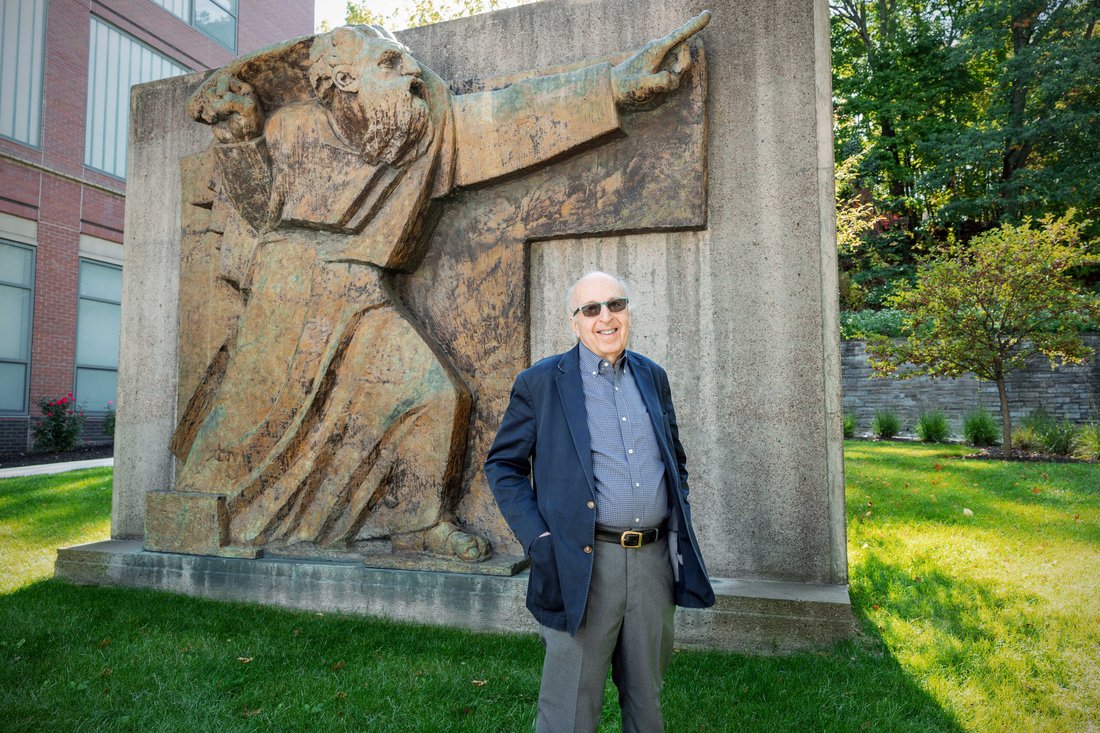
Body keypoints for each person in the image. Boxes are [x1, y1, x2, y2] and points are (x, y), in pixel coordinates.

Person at [170, 14, 712, 562]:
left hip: (361, 290)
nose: (410, 70)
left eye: (404, 59)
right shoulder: (293, 129)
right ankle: (196, 512)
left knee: (432, 396)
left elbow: (514, 117)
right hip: (285, 291)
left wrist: (617, 87)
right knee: (250, 429)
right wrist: (238, 138)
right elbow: (261, 210)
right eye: (389, 62)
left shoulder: (430, 132)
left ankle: (418, 521)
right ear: (343, 82)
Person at [485, 271, 715, 732]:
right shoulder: (541, 382)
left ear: (628, 312)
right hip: (582, 564)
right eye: (591, 309)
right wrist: (540, 539)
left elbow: (675, 460)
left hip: (652, 566)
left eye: (616, 304)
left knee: (646, 699)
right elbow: (502, 466)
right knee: (570, 706)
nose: (605, 317)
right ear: (575, 322)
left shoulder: (653, 376)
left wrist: (674, 517)